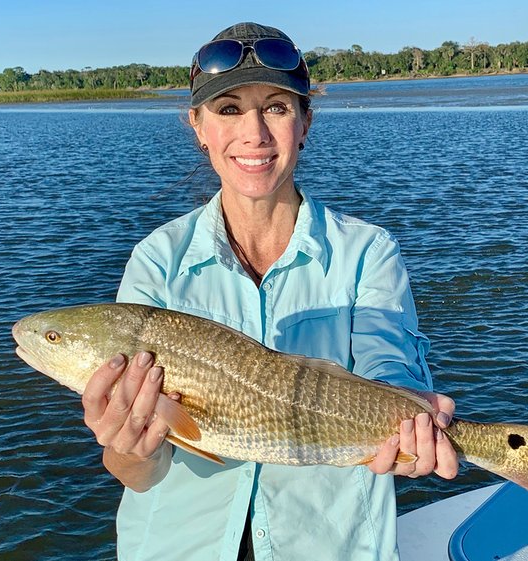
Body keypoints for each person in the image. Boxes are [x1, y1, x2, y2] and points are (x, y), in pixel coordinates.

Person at [81, 22, 458, 561]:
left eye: (277, 108)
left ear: (306, 122)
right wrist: (124, 443)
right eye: (229, 109)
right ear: (198, 127)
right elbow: (137, 476)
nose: (254, 134)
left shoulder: (367, 252)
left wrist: (411, 428)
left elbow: (388, 368)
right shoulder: (157, 260)